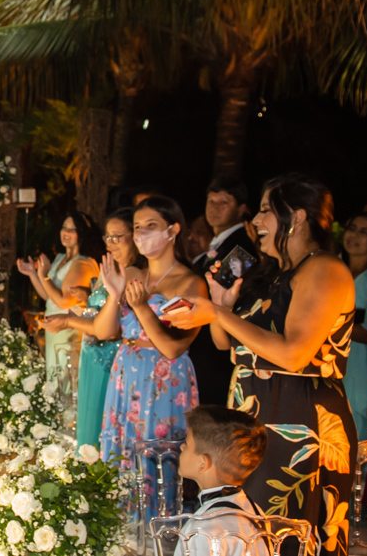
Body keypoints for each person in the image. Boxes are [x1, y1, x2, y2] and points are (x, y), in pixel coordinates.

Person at [165, 174, 356, 556]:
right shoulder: (273, 274)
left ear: (298, 216)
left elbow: (293, 353)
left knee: (287, 532)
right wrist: (219, 306)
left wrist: (218, 313)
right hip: (253, 415)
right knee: (249, 530)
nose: (256, 222)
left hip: (297, 419)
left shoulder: (324, 270)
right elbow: (228, 346)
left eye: (267, 210)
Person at [94, 196, 204, 512]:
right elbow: (104, 332)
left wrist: (141, 307)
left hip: (164, 380)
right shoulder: (131, 274)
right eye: (138, 227)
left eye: (151, 226)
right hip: (126, 374)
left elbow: (173, 347)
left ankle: (158, 533)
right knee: (121, 457)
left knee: (158, 461)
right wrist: (114, 295)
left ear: (173, 230)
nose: (142, 234)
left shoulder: (191, 281)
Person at [41, 207, 142, 447]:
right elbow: (100, 312)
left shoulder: (132, 274)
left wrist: (67, 320)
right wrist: (87, 300)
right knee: (86, 425)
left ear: (134, 236)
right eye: (108, 237)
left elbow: (112, 327)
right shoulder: (114, 271)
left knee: (98, 427)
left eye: (118, 236)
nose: (111, 243)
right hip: (92, 352)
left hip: (108, 356)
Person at [190, 178, 258, 406]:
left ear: (241, 209)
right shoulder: (219, 243)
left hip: (217, 349)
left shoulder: (243, 244)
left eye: (224, 202)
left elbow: (218, 295)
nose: (215, 208)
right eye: (211, 201)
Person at [17, 211, 102, 378]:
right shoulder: (60, 257)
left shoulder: (83, 263)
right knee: (53, 374)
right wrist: (33, 274)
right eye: (64, 228)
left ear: (82, 234)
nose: (66, 233)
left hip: (67, 329)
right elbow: (50, 298)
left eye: (73, 229)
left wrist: (44, 275)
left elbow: (63, 302)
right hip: (53, 326)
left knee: (65, 376)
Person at [175, 406, 269, 556]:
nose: (181, 446)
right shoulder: (254, 510)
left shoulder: (204, 529)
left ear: (203, 463)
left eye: (186, 444)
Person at [343, 213, 367, 439]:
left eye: (364, 232)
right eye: (352, 228)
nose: (354, 235)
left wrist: (328, 327)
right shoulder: (334, 267)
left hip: (363, 369)